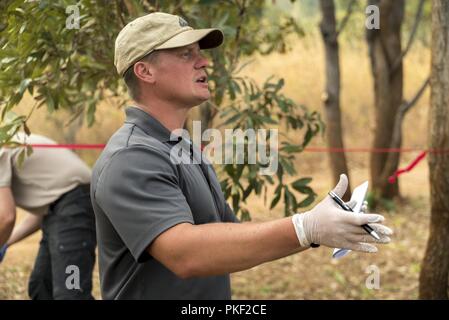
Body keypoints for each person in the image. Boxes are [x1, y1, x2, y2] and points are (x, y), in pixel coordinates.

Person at [91, 12, 393, 300]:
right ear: (145, 71)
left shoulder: (180, 147)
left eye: (200, 52)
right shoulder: (131, 158)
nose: (204, 62)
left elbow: (230, 239)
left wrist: (321, 227)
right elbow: (185, 254)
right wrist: (304, 227)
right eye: (186, 54)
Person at [0, 133, 96, 300]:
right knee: (42, 286)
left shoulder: (3, 148)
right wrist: (6, 243)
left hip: (77, 205)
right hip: (63, 210)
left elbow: (6, 217)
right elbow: (44, 210)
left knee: (70, 293)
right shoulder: (11, 141)